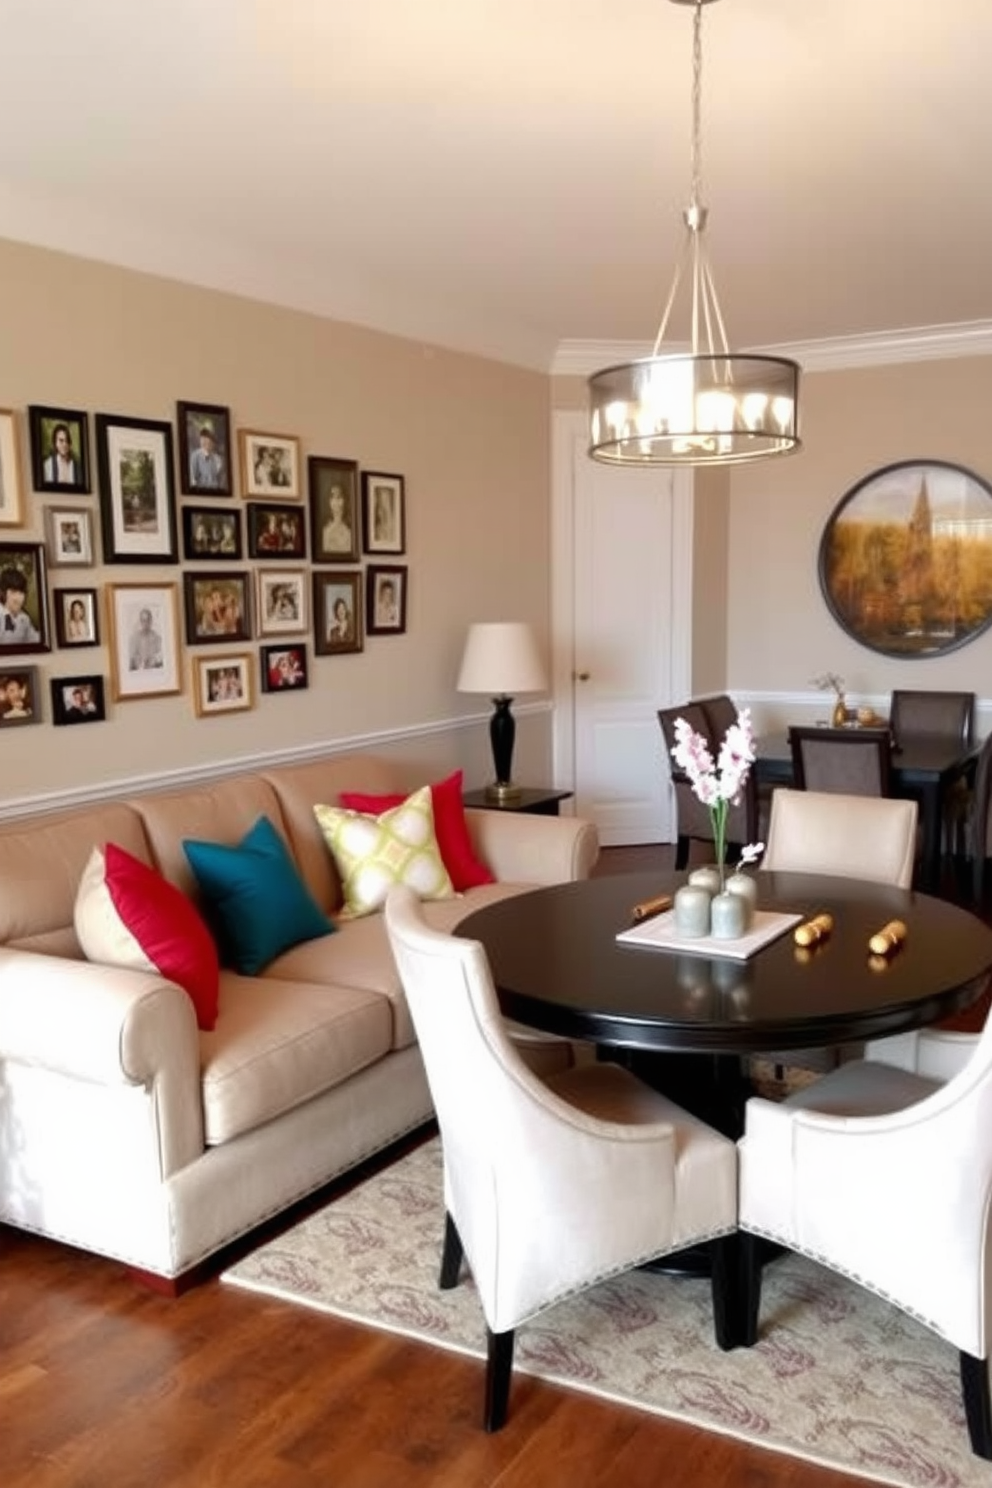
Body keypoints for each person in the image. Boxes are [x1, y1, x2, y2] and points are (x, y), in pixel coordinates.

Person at [0, 568, 40, 645]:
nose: (18, 598)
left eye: (21, 593)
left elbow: (35, 639)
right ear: (3, 593)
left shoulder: (24, 619)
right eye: (13, 592)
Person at [188, 426, 225, 490]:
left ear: (212, 442)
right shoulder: (195, 456)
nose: (204, 442)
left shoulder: (217, 458)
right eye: (202, 439)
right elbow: (193, 478)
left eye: (207, 439)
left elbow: (219, 479)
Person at [322, 485, 352, 554]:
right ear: (329, 502)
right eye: (333, 497)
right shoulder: (326, 530)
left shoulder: (349, 530)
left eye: (339, 497)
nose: (336, 502)